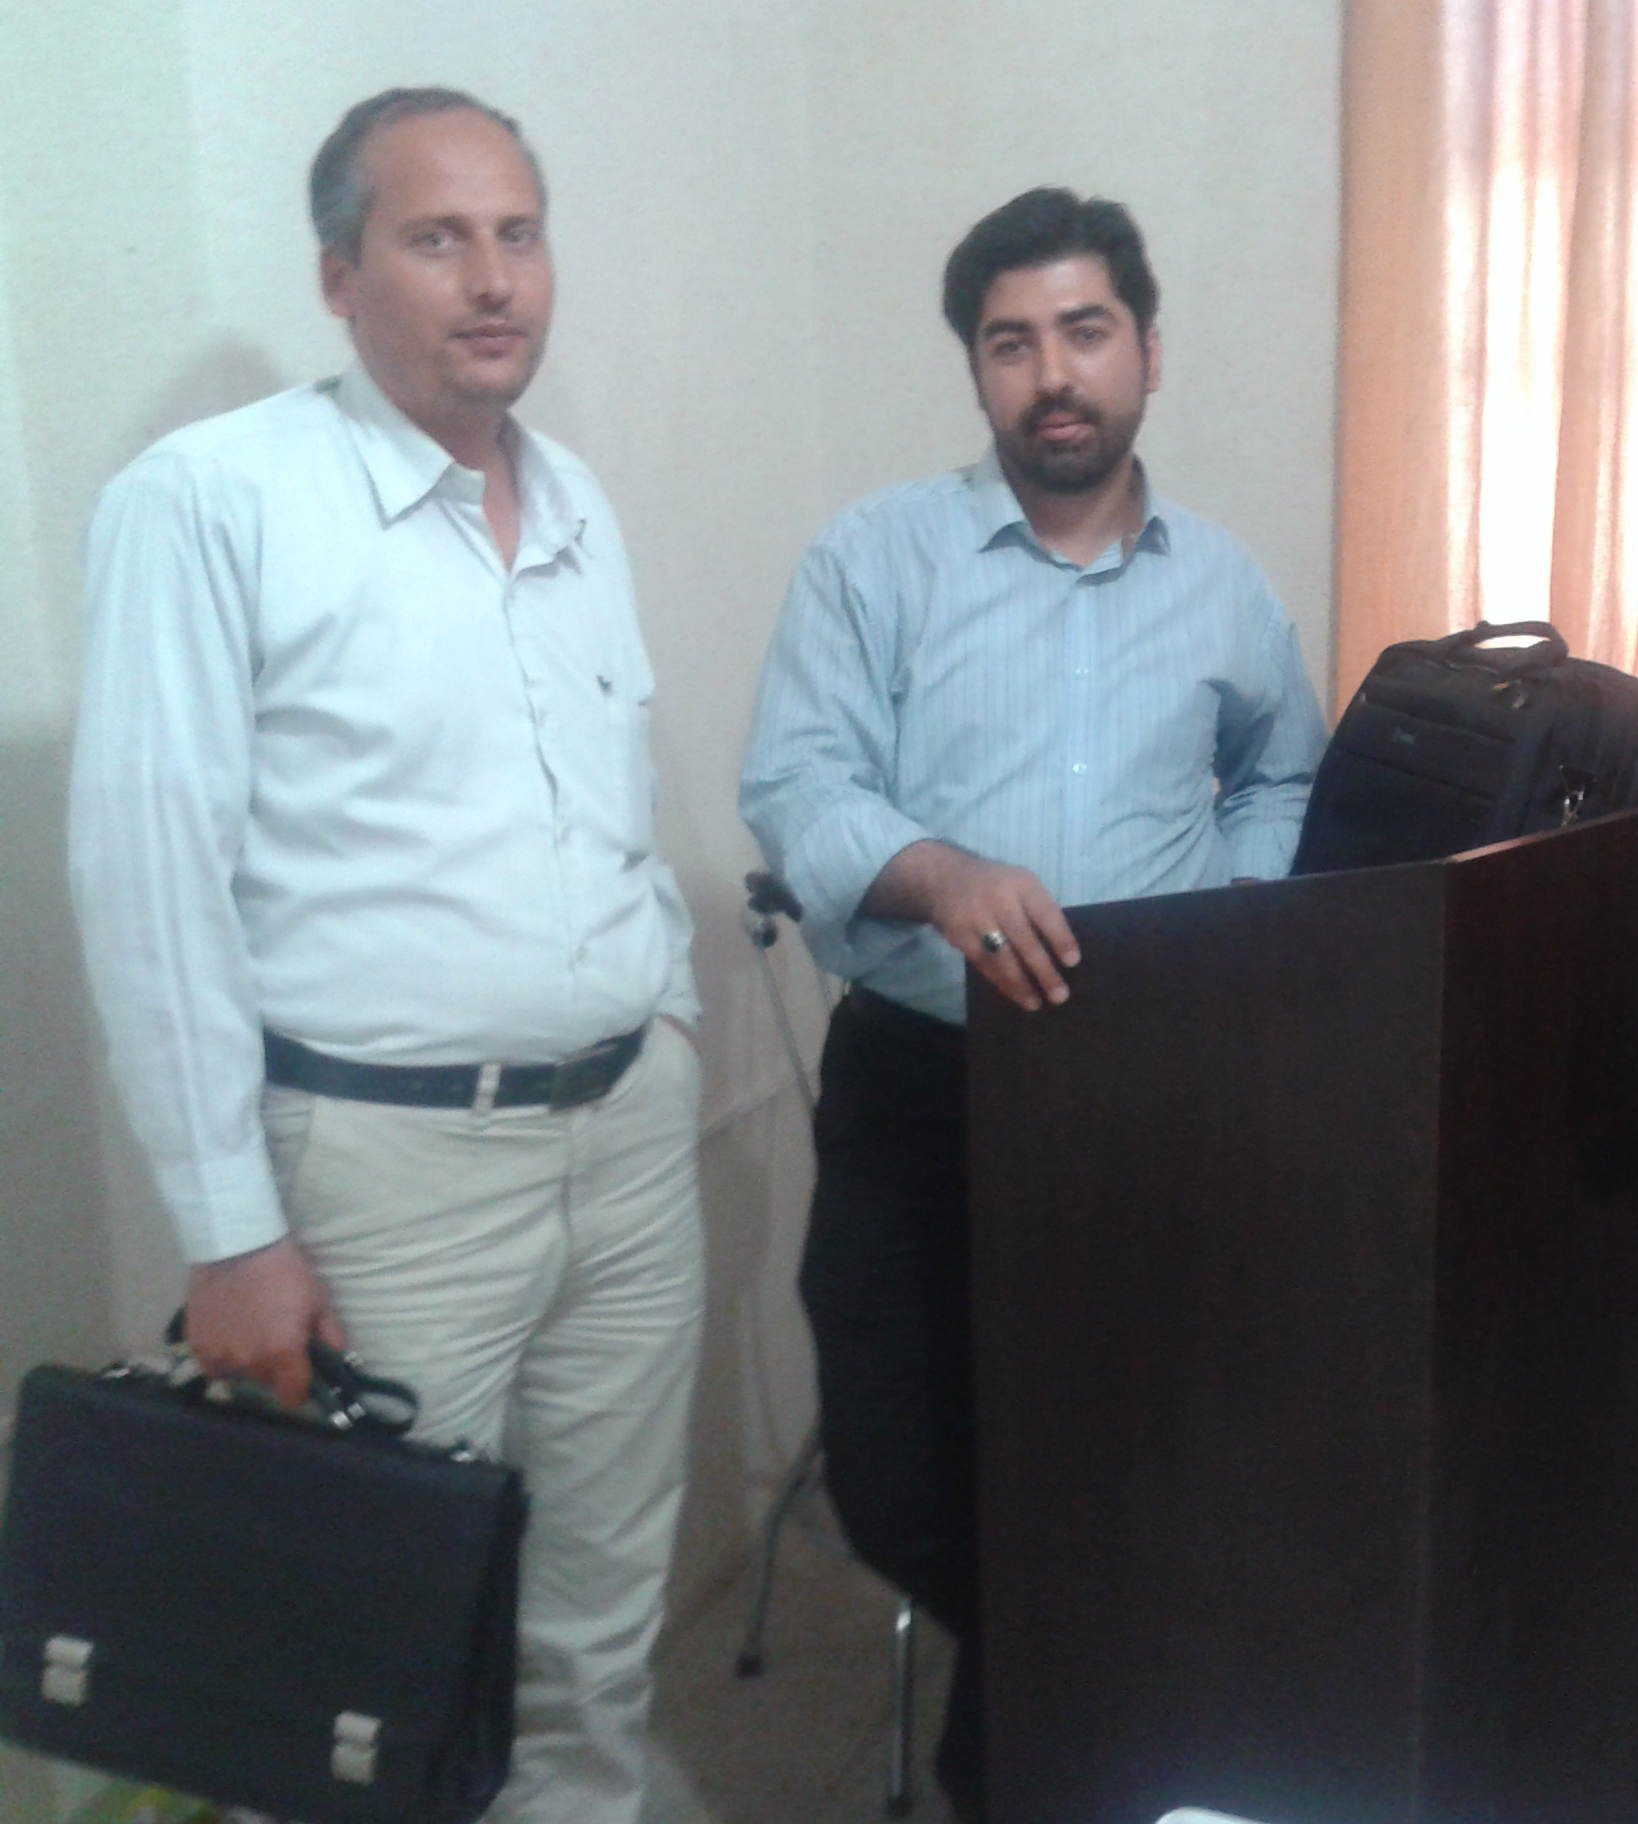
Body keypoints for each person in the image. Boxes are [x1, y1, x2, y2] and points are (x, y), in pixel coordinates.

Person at [67, 89, 704, 1824]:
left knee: (594, 1625)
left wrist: (665, 1018)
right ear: (340, 277)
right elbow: (149, 883)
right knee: (363, 1656)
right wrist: (230, 1231)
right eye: (437, 239)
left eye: (518, 233)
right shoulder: (211, 502)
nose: (493, 279)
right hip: (389, 1181)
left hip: (626, 1149)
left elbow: (611, 812)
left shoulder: (575, 503)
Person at [739, 186, 1326, 1817]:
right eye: (1012, 343)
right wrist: (936, 872)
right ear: (977, 370)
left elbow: (1284, 770)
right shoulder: (874, 559)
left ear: (1148, 350)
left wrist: (1235, 910)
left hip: (1143, 1105)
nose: (1053, 374)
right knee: (897, 1481)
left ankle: (1027, 1768)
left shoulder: (1225, 587)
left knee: (1121, 1467)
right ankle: (1088, 1699)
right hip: (922, 1092)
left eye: (1084, 331)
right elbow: (794, 781)